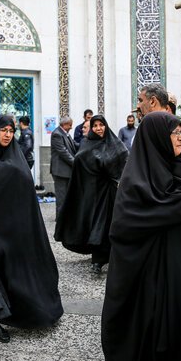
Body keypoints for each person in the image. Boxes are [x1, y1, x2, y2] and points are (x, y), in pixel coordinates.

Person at [101, 111, 181, 361]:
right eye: (176, 132)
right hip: (148, 277)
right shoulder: (135, 182)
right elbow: (123, 228)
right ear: (156, 137)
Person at [0, 115, 63, 343]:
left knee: (15, 274)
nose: (7, 135)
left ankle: (26, 312)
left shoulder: (16, 161)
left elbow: (17, 193)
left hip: (14, 229)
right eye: (3, 130)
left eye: (11, 130)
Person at [54, 115, 128, 274]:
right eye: (95, 126)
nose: (99, 128)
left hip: (112, 194)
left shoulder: (115, 144)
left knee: (113, 226)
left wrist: (119, 179)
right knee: (98, 226)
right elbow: (80, 165)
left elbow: (125, 163)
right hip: (94, 194)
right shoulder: (87, 145)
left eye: (101, 125)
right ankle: (98, 260)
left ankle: (114, 257)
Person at [50, 116, 76, 219]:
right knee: (61, 198)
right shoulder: (57, 134)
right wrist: (76, 163)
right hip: (60, 172)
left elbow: (74, 145)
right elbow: (63, 152)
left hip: (67, 171)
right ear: (64, 125)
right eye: (70, 125)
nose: (71, 127)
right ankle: (60, 219)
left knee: (67, 197)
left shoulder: (66, 134)